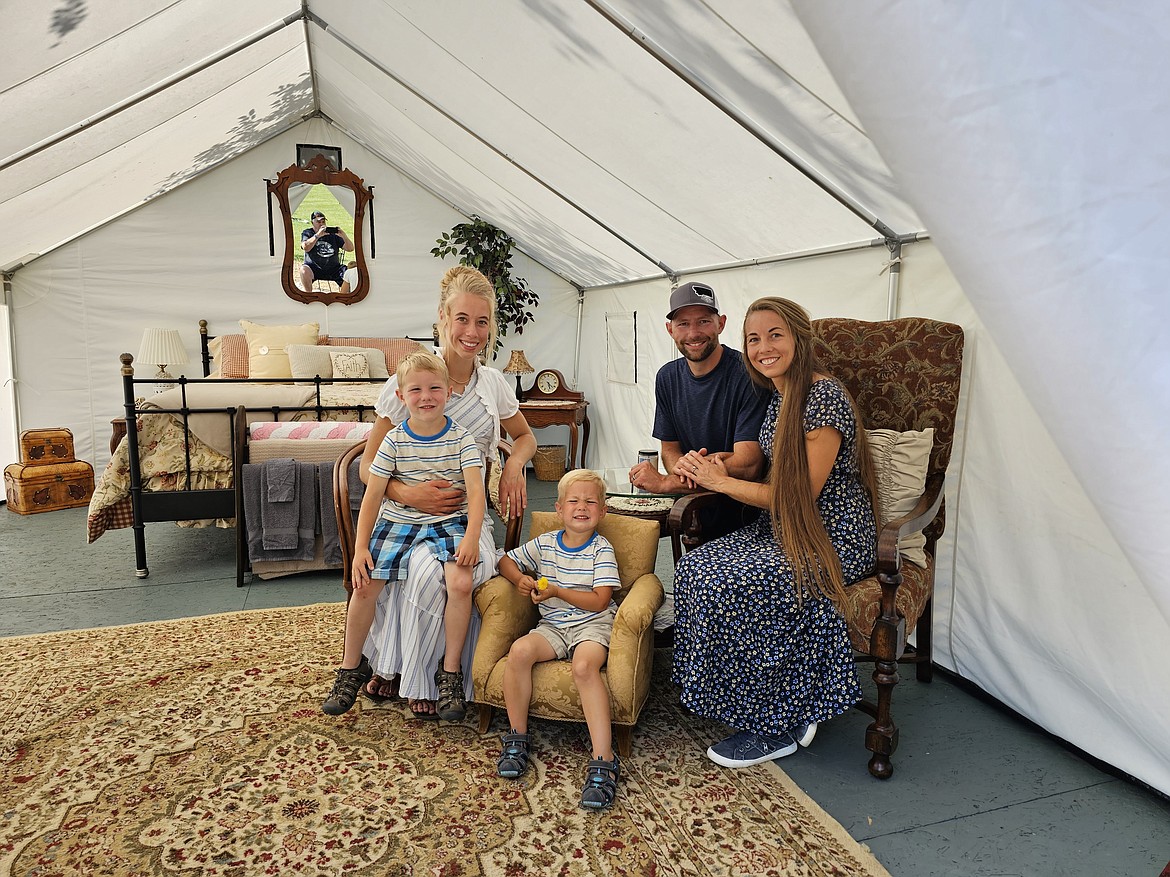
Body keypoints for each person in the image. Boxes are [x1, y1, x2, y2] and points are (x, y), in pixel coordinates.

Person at [671, 296, 880, 768]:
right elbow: (761, 469)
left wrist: (718, 481)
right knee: (699, 566)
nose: (763, 347)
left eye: (774, 335)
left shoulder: (822, 397)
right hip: (782, 530)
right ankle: (728, 692)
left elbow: (797, 496)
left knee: (749, 580)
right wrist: (713, 464)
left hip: (833, 534)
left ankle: (778, 723)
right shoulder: (780, 396)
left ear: (799, 339)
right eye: (753, 339)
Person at [359, 265, 537, 718]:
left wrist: (515, 462)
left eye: (482, 321)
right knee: (420, 569)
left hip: (465, 518)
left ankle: (442, 672)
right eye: (462, 319)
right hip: (407, 514)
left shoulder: (493, 383)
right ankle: (407, 670)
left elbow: (526, 437)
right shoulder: (412, 380)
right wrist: (408, 495)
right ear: (442, 317)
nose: (472, 332)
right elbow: (366, 467)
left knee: (447, 570)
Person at [322, 350, 484, 720]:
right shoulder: (394, 440)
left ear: (448, 392)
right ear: (400, 396)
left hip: (449, 521)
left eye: (434, 388)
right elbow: (373, 496)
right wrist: (361, 547)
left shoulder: (463, 440)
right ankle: (351, 668)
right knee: (365, 585)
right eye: (416, 390)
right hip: (398, 521)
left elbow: (476, 493)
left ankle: (451, 672)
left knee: (460, 583)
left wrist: (472, 536)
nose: (426, 396)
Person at [494, 469, 623, 810]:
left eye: (591, 501)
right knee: (519, 651)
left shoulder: (601, 550)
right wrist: (521, 579)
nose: (582, 507)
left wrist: (557, 591)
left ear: (603, 511)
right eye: (574, 501)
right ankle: (517, 738)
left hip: (593, 625)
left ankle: (604, 759)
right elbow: (504, 560)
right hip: (553, 626)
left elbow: (599, 600)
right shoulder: (546, 543)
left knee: (584, 667)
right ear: (559, 509)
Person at [628, 281, 769, 534]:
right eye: (683, 324)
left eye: (703, 321)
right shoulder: (667, 377)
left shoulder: (749, 375)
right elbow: (670, 452)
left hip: (746, 515)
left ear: (721, 323)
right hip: (694, 508)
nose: (693, 333)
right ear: (670, 330)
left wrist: (667, 482)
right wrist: (683, 466)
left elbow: (749, 465)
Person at [300, 210, 355, 295]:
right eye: (318, 222)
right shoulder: (308, 233)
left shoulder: (332, 234)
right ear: (312, 222)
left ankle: (345, 297)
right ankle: (308, 295)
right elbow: (305, 247)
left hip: (334, 269)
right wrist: (317, 235)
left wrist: (343, 235)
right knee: (303, 270)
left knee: (350, 272)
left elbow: (350, 248)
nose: (322, 224)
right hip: (314, 268)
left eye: (323, 221)